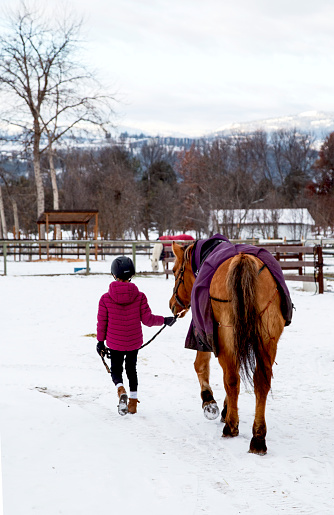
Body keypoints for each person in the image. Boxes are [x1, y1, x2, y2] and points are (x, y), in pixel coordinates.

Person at [96, 255, 175, 416]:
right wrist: (165, 320)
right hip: (133, 343)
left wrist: (100, 342)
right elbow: (147, 320)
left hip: (114, 343)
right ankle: (132, 402)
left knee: (116, 370)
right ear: (131, 275)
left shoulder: (105, 299)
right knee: (132, 369)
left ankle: (120, 389)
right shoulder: (139, 296)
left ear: (114, 274)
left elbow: (102, 323)